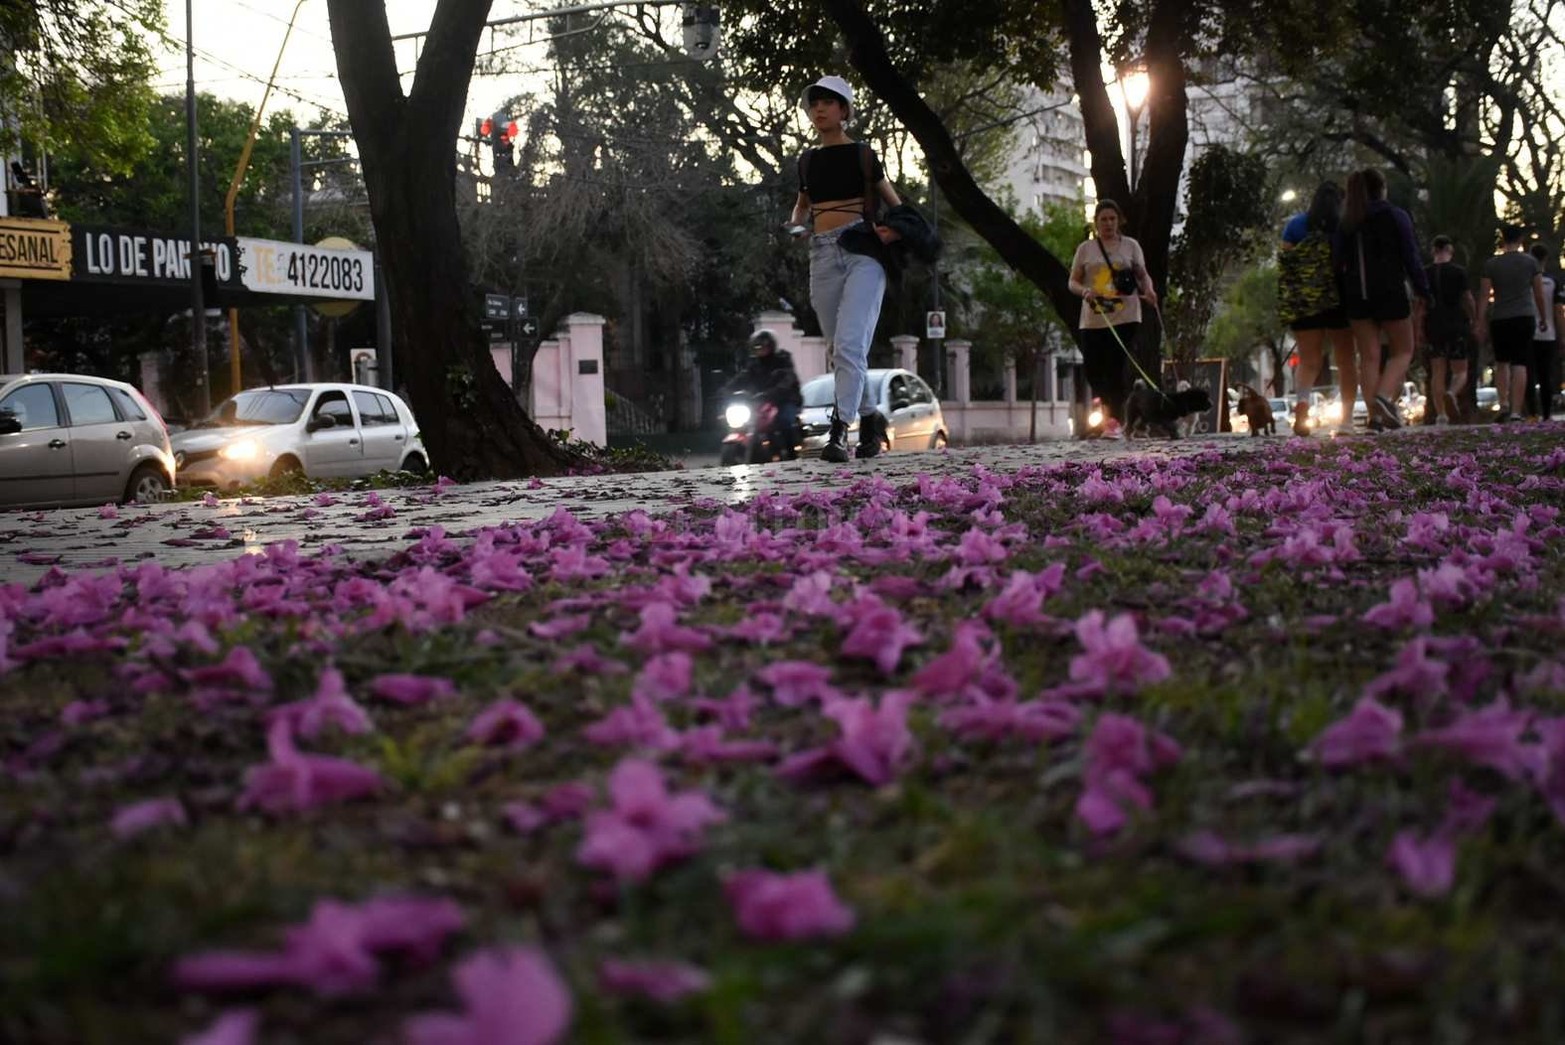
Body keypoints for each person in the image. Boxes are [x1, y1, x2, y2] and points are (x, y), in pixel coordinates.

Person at [786, 74, 902, 463]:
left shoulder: (863, 155)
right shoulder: (808, 160)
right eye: (813, 103)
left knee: (851, 345)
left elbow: (894, 203)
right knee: (841, 350)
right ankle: (871, 417)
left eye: (827, 102)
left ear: (844, 110)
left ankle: (840, 432)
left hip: (862, 250)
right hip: (821, 253)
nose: (818, 109)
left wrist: (894, 229)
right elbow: (801, 206)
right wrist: (797, 227)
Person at [1336, 168, 1432, 431]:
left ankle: (1374, 417)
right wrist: (1423, 288)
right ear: (1382, 188)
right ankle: (1383, 396)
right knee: (1404, 350)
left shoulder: (1348, 221)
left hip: (1357, 295)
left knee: (1368, 357)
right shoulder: (1395, 216)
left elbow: (1338, 261)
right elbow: (1410, 256)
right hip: (1390, 291)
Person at [1067, 199, 1157, 434]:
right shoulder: (1085, 249)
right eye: (1103, 219)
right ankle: (1106, 415)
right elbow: (1072, 281)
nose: (1108, 223)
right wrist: (1085, 291)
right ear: (1096, 223)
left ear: (1119, 221)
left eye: (1112, 219)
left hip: (1125, 316)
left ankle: (1114, 421)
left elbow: (1142, 274)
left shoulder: (1130, 246)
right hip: (1094, 319)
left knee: (1115, 368)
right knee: (1094, 370)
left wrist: (1149, 290)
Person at [1278, 181, 1355, 435]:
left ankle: (1301, 405)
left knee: (1309, 361)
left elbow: (1286, 263)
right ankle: (1346, 419)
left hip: (1305, 302)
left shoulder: (1296, 225)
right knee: (1345, 361)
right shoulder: (1343, 227)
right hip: (1338, 301)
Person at [1474, 223, 1546, 423]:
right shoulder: (1531, 263)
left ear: (1503, 239)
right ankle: (1515, 411)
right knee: (1520, 362)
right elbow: (1538, 293)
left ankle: (1504, 404)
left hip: (1500, 317)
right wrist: (1543, 318)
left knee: (1502, 362)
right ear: (1521, 239)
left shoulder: (1491, 264)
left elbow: (1483, 296)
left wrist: (1479, 321)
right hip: (1524, 316)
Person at [722, 329, 803, 456]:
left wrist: (775, 392)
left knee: (785, 421)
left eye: (763, 347)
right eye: (757, 347)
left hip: (783, 400)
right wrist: (726, 389)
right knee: (745, 422)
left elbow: (788, 379)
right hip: (761, 401)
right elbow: (743, 377)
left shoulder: (782, 359)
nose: (760, 350)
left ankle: (791, 454)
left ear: (771, 346)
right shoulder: (754, 364)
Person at [1423, 234, 1476, 425]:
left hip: (1433, 324)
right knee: (1460, 370)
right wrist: (1474, 318)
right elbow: (1468, 299)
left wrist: (1417, 328)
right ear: (1450, 250)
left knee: (1437, 371)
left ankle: (1441, 415)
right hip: (1456, 324)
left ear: (1433, 250)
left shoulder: (1425, 273)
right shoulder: (1458, 272)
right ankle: (1451, 392)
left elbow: (1419, 304)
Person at [1527, 243, 1559, 420]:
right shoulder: (1552, 281)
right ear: (1546, 259)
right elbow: (1558, 310)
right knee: (1546, 374)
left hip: (1528, 331)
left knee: (1529, 374)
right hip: (1548, 334)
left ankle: (1531, 412)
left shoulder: (1525, 281)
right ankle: (1547, 414)